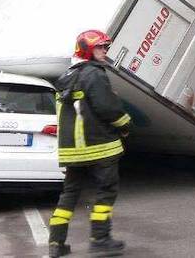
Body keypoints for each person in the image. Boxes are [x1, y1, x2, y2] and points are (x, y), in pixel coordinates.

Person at [48, 30, 133, 258]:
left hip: (72, 151)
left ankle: (56, 243)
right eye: (100, 47)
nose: (105, 51)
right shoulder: (94, 74)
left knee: (69, 194)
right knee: (106, 191)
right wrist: (124, 124)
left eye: (106, 47)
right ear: (87, 50)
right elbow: (107, 108)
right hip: (100, 146)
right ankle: (100, 240)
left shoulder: (66, 76)